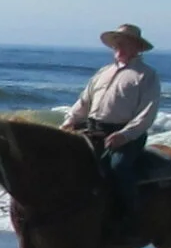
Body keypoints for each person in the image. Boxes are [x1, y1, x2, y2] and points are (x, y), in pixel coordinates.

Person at [63, 23, 161, 229]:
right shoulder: (103, 72)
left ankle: (130, 218)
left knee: (118, 167)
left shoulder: (146, 75)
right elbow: (84, 102)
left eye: (125, 42)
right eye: (117, 42)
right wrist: (70, 120)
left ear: (137, 47)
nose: (119, 46)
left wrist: (124, 135)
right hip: (93, 129)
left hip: (124, 135)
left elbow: (147, 113)